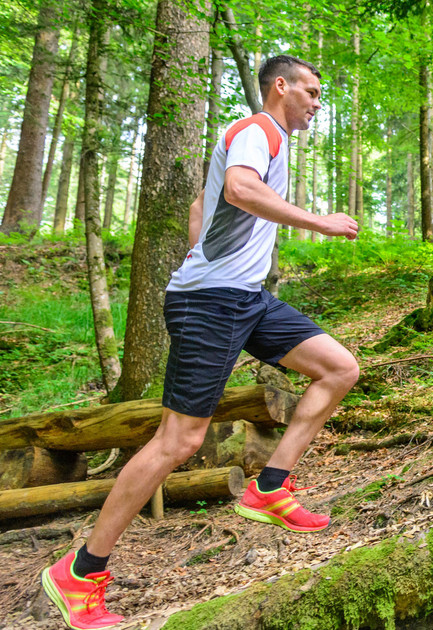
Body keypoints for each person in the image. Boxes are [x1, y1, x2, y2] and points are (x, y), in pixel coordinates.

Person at [40, 55, 360, 630]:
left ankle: (269, 488)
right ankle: (80, 573)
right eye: (311, 90)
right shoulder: (257, 130)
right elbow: (238, 190)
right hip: (211, 301)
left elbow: (201, 207)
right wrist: (317, 221)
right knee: (178, 442)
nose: (317, 101)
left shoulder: (268, 140)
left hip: (244, 297)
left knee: (338, 369)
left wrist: (209, 256)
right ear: (280, 88)